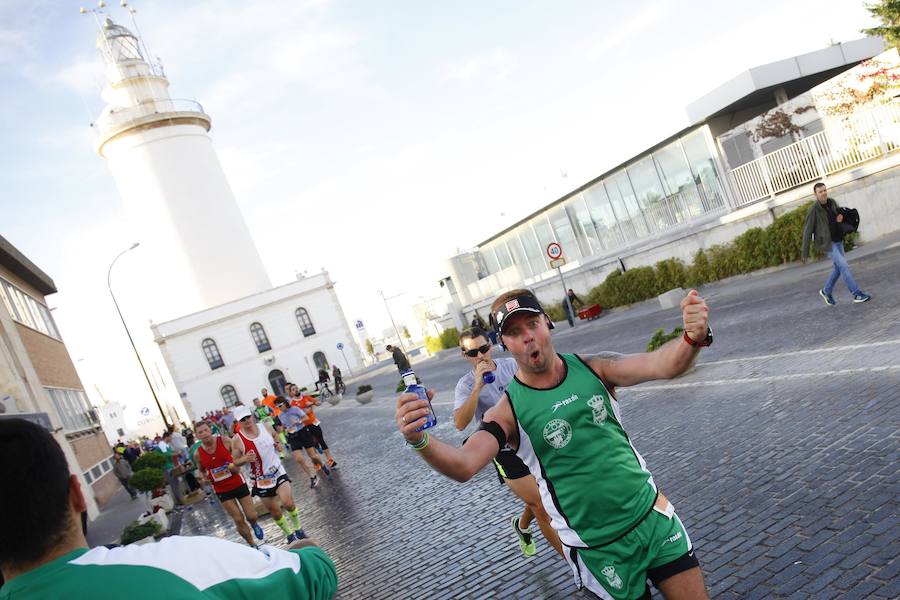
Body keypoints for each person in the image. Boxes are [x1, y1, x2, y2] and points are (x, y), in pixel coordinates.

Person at [396, 288, 713, 600]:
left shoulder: (594, 367)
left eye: (532, 324)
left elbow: (664, 364)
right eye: (515, 332)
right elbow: (464, 464)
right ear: (504, 343)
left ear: (547, 323)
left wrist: (692, 337)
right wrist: (419, 439)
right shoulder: (507, 411)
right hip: (597, 549)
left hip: (652, 519)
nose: (527, 337)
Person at [0, 418, 338, 600]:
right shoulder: (178, 562)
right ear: (77, 494)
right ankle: (259, 539)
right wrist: (302, 547)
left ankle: (258, 530)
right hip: (225, 497)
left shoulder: (223, 443)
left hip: (235, 485)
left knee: (250, 516)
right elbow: (313, 572)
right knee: (277, 538)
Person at [453, 326, 562, 558]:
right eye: (473, 353)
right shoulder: (465, 385)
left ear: (490, 345)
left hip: (533, 441)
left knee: (548, 494)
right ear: (464, 355)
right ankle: (577, 568)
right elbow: (460, 423)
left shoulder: (511, 366)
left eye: (483, 349)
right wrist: (477, 387)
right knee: (542, 508)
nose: (480, 356)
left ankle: (521, 525)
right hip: (504, 451)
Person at [231, 406, 307, 543]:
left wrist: (278, 444)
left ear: (252, 416)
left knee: (288, 503)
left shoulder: (266, 426)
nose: (247, 420)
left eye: (248, 417)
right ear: (238, 422)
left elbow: (276, 436)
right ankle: (289, 535)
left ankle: (298, 529)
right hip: (261, 480)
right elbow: (234, 461)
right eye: (242, 419)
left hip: (277, 471)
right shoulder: (237, 440)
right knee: (276, 512)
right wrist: (244, 459)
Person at [193, 420, 265, 547]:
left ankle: (254, 524)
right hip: (221, 489)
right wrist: (204, 478)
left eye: (206, 430)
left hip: (237, 482)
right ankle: (252, 544)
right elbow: (201, 471)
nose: (204, 434)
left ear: (210, 430)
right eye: (200, 432)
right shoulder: (198, 454)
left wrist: (237, 463)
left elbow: (239, 454)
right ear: (197, 436)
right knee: (238, 519)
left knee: (251, 516)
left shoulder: (225, 441)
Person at [801, 182, 871, 305]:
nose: (823, 193)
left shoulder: (832, 202)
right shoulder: (813, 210)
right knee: (843, 265)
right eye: (820, 192)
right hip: (827, 243)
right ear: (815, 194)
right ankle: (857, 294)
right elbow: (807, 231)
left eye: (824, 190)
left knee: (838, 268)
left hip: (838, 239)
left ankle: (826, 291)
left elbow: (837, 217)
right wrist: (805, 252)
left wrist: (840, 220)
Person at [275, 396, 324, 488]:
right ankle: (313, 477)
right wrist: (283, 428)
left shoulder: (295, 409)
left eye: (280, 405)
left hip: (303, 432)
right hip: (293, 436)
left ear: (285, 403)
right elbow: (283, 426)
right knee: (299, 459)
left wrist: (298, 421)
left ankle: (322, 465)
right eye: (277, 407)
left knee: (313, 456)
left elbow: (305, 417)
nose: (279, 408)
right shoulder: (280, 415)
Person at [288, 385, 338, 471]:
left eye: (296, 388)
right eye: (293, 390)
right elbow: (294, 417)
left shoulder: (306, 397)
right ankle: (317, 464)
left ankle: (331, 461)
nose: (296, 390)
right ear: (291, 393)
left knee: (321, 440)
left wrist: (311, 403)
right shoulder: (292, 404)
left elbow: (318, 403)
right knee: (311, 446)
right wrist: (304, 410)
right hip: (303, 427)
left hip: (313, 422)